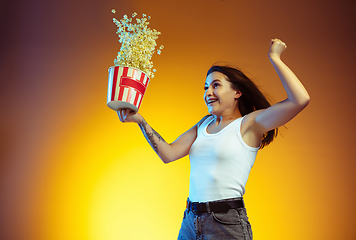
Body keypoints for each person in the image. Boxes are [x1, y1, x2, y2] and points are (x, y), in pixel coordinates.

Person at [116, 39, 310, 240]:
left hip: (225, 223)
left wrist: (275, 58)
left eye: (216, 85)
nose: (208, 92)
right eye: (206, 87)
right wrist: (140, 121)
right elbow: (169, 153)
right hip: (190, 221)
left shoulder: (249, 124)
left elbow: (300, 99)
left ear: (237, 92)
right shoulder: (203, 125)